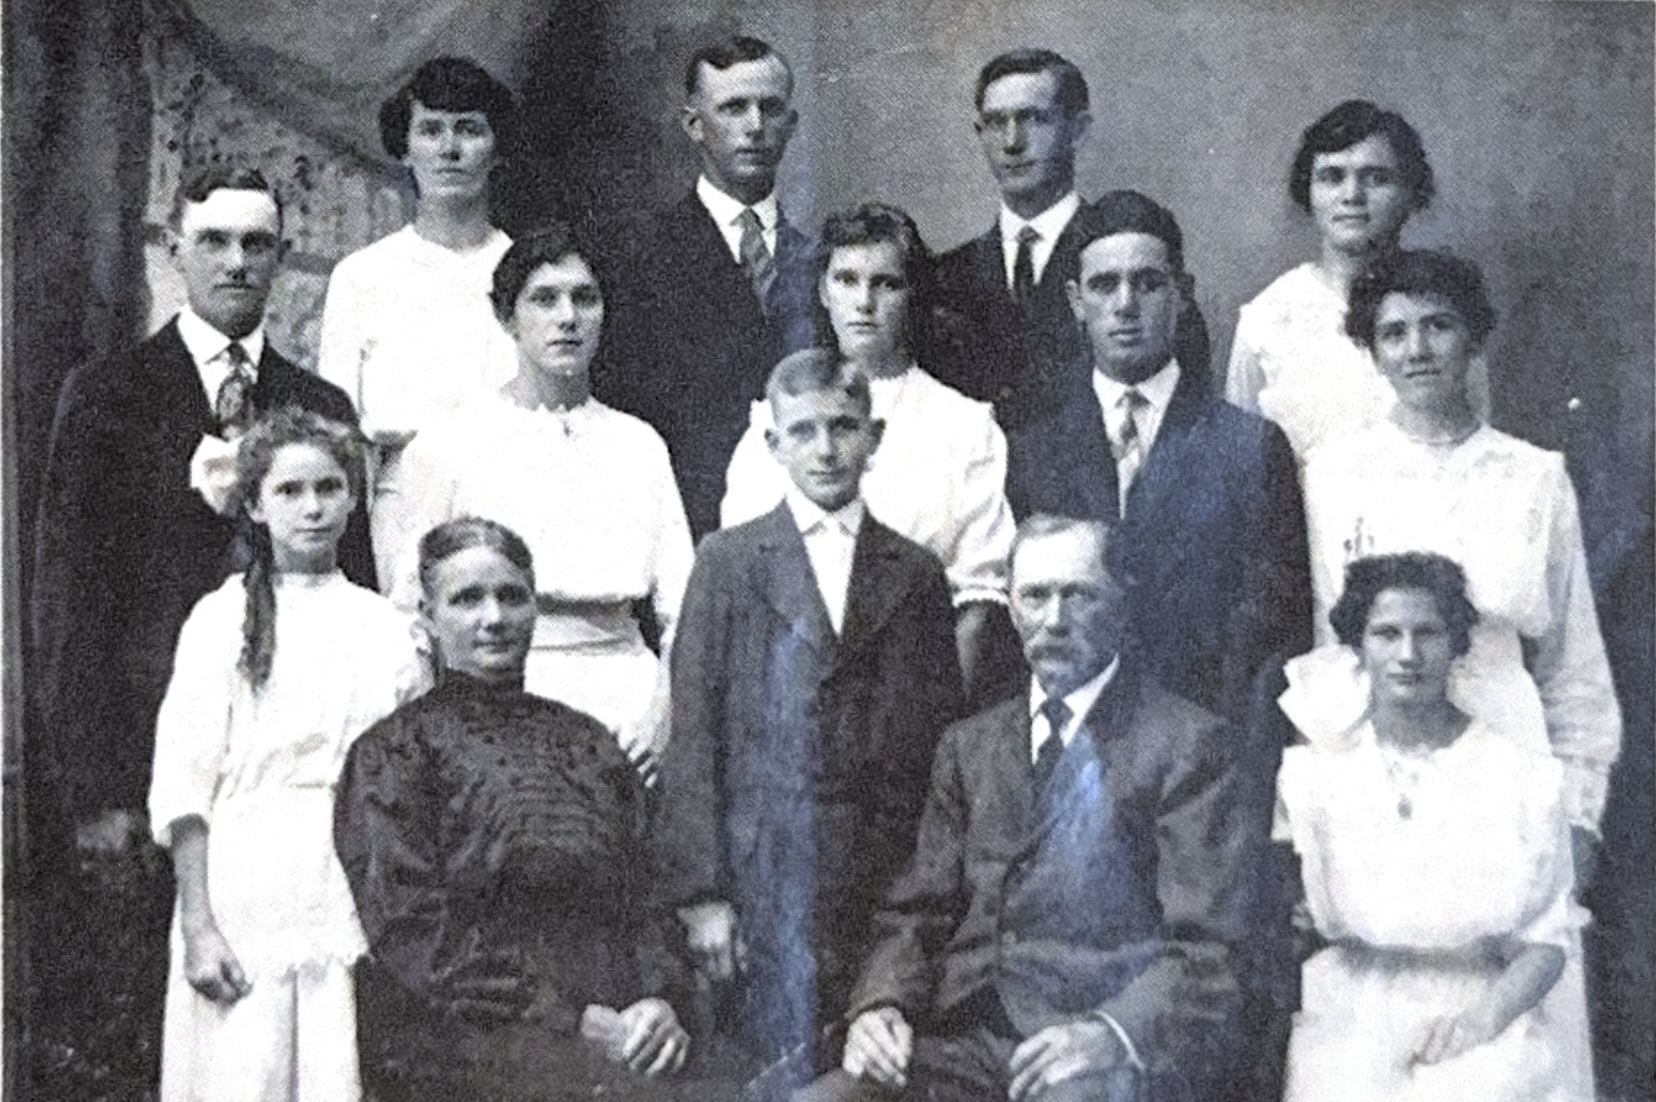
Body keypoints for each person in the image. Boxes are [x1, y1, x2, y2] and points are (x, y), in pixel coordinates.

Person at [27, 164, 372, 1090]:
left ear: (282, 257)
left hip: (295, 794)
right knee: (159, 1034)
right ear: (175, 250)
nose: (235, 262)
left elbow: (356, 585)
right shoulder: (107, 395)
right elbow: (69, 605)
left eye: (257, 243)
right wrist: (98, 789)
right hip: (153, 767)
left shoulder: (319, 407)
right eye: (213, 241)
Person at [796, 515, 1264, 1102]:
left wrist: (1112, 1034)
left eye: (1080, 595)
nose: (1055, 620)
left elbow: (1210, 950)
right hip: (960, 1042)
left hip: (1091, 1049)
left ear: (1121, 602)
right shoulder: (970, 745)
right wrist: (880, 1005)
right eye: (1035, 597)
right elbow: (918, 911)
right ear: (1011, 608)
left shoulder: (1186, 744)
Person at [657, 349, 964, 1081]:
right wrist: (703, 896)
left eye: (843, 427)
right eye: (803, 431)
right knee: (766, 1067)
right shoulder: (728, 563)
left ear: (874, 436)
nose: (825, 449)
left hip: (880, 880)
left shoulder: (915, 573)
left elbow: (941, 739)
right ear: (773, 444)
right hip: (766, 874)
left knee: (867, 1070)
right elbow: (695, 733)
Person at [336, 517, 699, 1102]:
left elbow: (649, 895)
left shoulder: (589, 743)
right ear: (426, 617)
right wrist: (572, 1021)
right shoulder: (394, 754)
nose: (494, 618)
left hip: (623, 1043)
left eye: (511, 596)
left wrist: (661, 1000)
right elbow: (415, 931)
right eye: (466, 599)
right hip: (468, 1051)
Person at [147, 408, 425, 1102]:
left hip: (348, 885)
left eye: (329, 488)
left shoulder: (384, 627)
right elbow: (184, 782)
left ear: (354, 497)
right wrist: (199, 925)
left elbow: (409, 780)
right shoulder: (222, 619)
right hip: (244, 892)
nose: (312, 508)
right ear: (255, 506)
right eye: (290, 491)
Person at [1300, 248, 1620, 841]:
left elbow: (1573, 669)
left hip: (1511, 771)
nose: (1417, 350)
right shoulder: (1332, 477)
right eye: (1394, 333)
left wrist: (1578, 818)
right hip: (1380, 781)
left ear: (1473, 341)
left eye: (1438, 326)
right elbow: (1330, 656)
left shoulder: (1535, 477)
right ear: (1372, 352)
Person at [1275, 552, 1594, 1101]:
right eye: (1386, 633)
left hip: (1479, 1018)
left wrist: (1479, 1024)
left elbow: (1546, 942)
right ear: (1358, 646)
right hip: (1350, 1016)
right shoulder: (1313, 775)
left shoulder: (1517, 776)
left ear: (1458, 645)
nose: (1408, 654)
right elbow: (1288, 919)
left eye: (1429, 633)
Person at [391, 223, 693, 771]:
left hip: (627, 706)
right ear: (507, 317)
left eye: (585, 299)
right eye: (544, 299)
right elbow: (411, 615)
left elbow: (685, 610)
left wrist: (661, 716)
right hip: (497, 700)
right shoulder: (449, 444)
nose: (567, 318)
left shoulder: (639, 443)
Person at [1005, 190, 1311, 725]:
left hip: (1208, 743)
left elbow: (1275, 634)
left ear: (1182, 294)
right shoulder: (1031, 451)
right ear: (1077, 302)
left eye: (1147, 283)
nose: (1125, 304)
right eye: (1104, 285)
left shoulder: (1248, 447)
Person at [720, 202, 1019, 704]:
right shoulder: (772, 420)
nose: (863, 301)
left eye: (886, 283)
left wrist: (934, 724)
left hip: (911, 692)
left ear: (911, 294)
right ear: (823, 291)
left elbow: (978, 598)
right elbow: (741, 574)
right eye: (846, 280)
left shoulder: (964, 425)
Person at [600, 34, 816, 538]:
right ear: (694, 124)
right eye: (734, 108)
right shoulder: (635, 260)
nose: (755, 126)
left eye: (771, 108)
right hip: (686, 528)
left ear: (791, 124)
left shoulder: (820, 261)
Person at [317, 56, 520, 585]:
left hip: (510, 501)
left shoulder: (526, 273)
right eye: (431, 130)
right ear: (405, 148)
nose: (449, 150)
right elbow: (338, 434)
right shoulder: (362, 276)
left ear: (496, 149)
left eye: (470, 130)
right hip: (400, 515)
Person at [1225, 100, 1487, 461]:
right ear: (1309, 192)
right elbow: (1242, 470)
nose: (1352, 196)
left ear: (1410, 193)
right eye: (1332, 177)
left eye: (1377, 178)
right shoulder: (1266, 319)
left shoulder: (1445, 310)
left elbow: (1477, 446)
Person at [930, 49, 1094, 424]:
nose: (1011, 142)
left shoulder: (1125, 265)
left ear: (1078, 131)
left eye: (1033, 119)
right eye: (994, 122)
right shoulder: (942, 278)